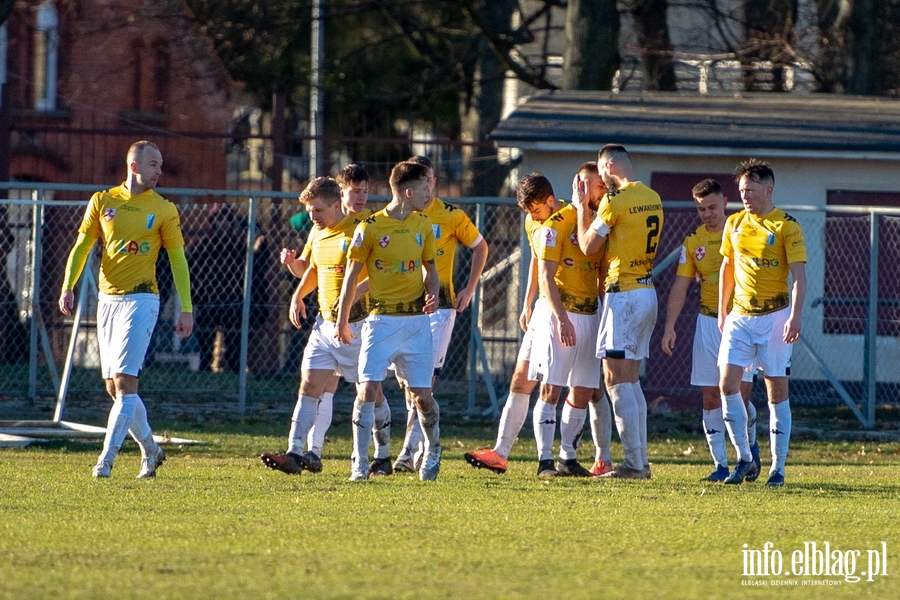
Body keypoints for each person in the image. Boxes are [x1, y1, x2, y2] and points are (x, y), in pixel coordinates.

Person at [58, 140, 193, 478]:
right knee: (114, 387)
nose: (159, 171)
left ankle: (106, 459)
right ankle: (151, 449)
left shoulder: (164, 209)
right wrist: (67, 286)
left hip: (142, 299)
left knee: (125, 381)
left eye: (161, 165)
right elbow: (82, 247)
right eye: (153, 164)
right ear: (134, 166)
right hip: (108, 300)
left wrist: (186, 308)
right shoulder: (103, 201)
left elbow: (178, 261)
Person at [335, 161, 442, 481]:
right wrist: (342, 320)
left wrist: (433, 293)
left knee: (422, 396)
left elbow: (431, 270)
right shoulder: (369, 227)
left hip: (415, 324)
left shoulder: (423, 225)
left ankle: (433, 449)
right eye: (425, 188)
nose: (429, 193)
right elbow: (352, 278)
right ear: (408, 192)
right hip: (380, 321)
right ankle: (359, 462)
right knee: (367, 389)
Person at [260, 177, 368, 476]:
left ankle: (378, 456)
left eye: (318, 210)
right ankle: (296, 452)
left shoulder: (359, 231)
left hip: (358, 326)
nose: (312, 216)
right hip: (324, 325)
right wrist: (296, 291)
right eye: (309, 210)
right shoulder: (317, 233)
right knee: (310, 387)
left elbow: (375, 274)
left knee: (370, 394)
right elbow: (310, 271)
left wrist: (357, 296)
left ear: (336, 205)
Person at [391, 155, 489, 474]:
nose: (428, 185)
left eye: (431, 179)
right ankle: (417, 445)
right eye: (422, 180)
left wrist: (469, 288)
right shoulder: (396, 217)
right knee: (409, 385)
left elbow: (480, 246)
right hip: (401, 307)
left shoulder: (450, 215)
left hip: (439, 308)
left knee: (423, 382)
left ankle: (410, 452)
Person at [572, 144, 663, 479]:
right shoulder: (652, 196)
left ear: (609, 165)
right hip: (646, 291)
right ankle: (641, 461)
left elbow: (586, 246)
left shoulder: (615, 200)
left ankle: (635, 464)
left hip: (623, 294)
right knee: (630, 379)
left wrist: (583, 206)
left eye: (601, 169)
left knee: (614, 378)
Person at [660, 179, 759, 482]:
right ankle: (721, 465)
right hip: (707, 323)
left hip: (741, 322)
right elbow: (680, 285)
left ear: (725, 202)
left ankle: (749, 449)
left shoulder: (744, 231)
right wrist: (669, 327)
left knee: (739, 398)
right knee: (710, 396)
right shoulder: (693, 241)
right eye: (701, 209)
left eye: (712, 207)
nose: (707, 213)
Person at [718, 159, 806, 486]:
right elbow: (727, 267)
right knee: (727, 386)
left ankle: (777, 468)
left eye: (751, 190)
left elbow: (799, 276)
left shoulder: (786, 226)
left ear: (767, 190)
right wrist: (722, 311)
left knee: (775, 392)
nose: (745, 196)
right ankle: (743, 458)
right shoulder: (735, 223)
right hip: (740, 316)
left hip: (775, 317)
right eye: (742, 190)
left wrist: (795, 316)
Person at [462, 172, 558, 475]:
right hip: (543, 306)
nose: (532, 217)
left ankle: (550, 460)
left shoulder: (568, 219)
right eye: (527, 212)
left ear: (550, 202)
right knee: (521, 379)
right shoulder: (534, 222)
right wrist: (529, 301)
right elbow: (537, 261)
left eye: (536, 210)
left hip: (569, 310)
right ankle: (501, 453)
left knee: (558, 388)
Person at [528, 162, 610, 478]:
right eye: (592, 185)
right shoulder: (556, 224)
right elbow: (545, 277)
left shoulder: (602, 227)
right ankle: (544, 461)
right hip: (561, 314)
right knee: (551, 387)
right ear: (578, 185)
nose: (597, 192)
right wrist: (561, 319)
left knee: (584, 390)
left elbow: (603, 274)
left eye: (602, 186)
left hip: (591, 314)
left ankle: (567, 457)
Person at [190, 204, 244, 372]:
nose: (223, 224)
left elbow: (257, 264)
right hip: (208, 297)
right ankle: (205, 369)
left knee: (234, 339)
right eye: (219, 219)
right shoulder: (204, 245)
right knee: (205, 338)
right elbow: (190, 266)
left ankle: (234, 370)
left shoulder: (239, 245)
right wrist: (196, 291)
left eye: (227, 219)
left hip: (232, 298)